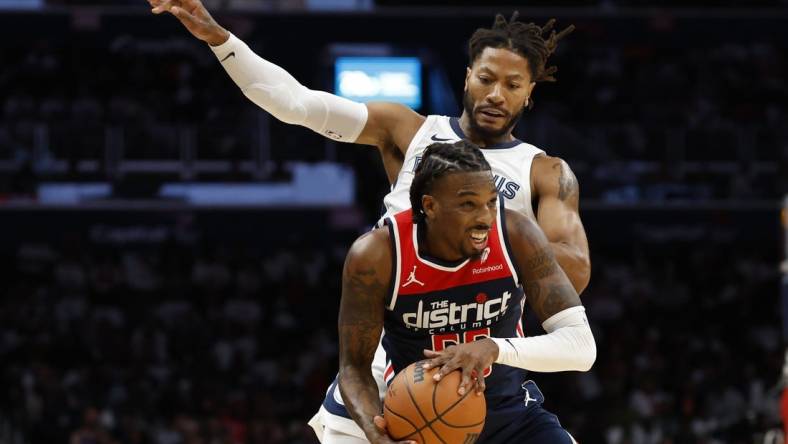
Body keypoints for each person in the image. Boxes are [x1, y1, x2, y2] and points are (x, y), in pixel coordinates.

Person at [148, 2, 591, 441]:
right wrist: (219, 39)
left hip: (484, 360)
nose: (496, 94)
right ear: (467, 77)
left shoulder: (544, 171)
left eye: (513, 84)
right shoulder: (408, 129)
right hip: (396, 362)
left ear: (529, 93)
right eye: (486, 78)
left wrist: (476, 240)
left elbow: (575, 270)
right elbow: (295, 104)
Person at [336, 141, 595, 444]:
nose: (485, 217)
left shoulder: (517, 234)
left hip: (510, 417)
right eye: (468, 204)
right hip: (420, 423)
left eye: (491, 202)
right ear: (430, 206)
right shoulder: (377, 255)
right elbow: (353, 367)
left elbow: (582, 348)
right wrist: (375, 433)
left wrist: (494, 347)